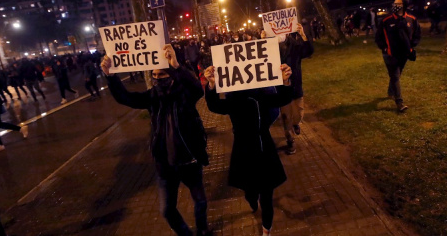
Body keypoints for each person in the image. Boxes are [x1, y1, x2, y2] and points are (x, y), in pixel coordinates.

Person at [101, 45, 211, 236]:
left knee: (200, 200)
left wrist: (177, 66)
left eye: (163, 75)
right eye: (155, 76)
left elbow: (197, 89)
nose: (159, 79)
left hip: (189, 160)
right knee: (167, 210)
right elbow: (125, 98)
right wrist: (110, 76)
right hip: (165, 163)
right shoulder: (152, 97)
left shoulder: (184, 95)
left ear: (171, 75)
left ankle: (202, 229)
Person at [204, 63, 293, 236]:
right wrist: (212, 85)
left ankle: (266, 229)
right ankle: (252, 201)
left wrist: (285, 81)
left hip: (264, 148)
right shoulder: (234, 99)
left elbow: (282, 99)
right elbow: (215, 106)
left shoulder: (262, 95)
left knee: (267, 194)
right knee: (250, 191)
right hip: (243, 151)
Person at [375, 0, 421, 112]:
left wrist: (412, 46)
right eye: (394, 3)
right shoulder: (386, 20)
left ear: (404, 5)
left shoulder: (412, 19)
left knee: (396, 75)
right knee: (395, 76)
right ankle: (399, 103)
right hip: (390, 54)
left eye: (398, 4)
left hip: (404, 54)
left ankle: (391, 91)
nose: (395, 5)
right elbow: (378, 37)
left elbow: (416, 35)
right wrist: (384, 48)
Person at [278, 23, 314, 154]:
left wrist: (303, 35)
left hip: (295, 84)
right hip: (281, 87)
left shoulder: (295, 44)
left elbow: (309, 51)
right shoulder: (270, 46)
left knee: (299, 113)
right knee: (286, 116)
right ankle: (290, 140)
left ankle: (296, 123)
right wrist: (263, 41)